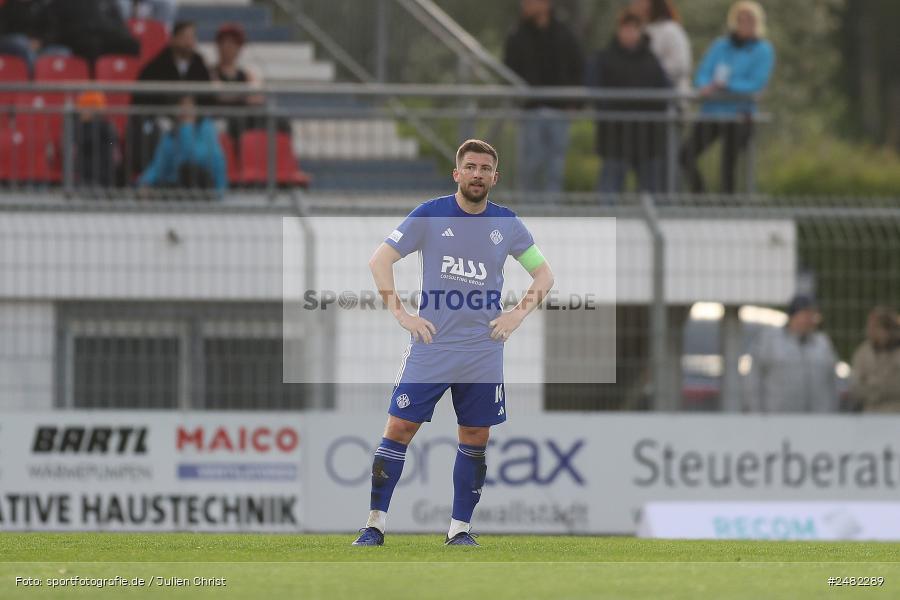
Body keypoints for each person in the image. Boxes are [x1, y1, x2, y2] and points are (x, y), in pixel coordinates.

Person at [352, 139, 555, 546]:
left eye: (485, 169)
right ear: (457, 173)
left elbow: (544, 275)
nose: (477, 174)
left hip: (482, 352)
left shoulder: (507, 224)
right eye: (471, 167)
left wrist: (515, 315)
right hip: (433, 346)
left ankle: (459, 530)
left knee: (476, 437)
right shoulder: (430, 214)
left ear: (495, 178)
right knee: (399, 427)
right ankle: (374, 525)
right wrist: (402, 314)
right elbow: (380, 260)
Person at [679, 0, 774, 193]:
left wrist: (726, 85)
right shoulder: (720, 46)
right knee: (685, 155)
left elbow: (755, 84)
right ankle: (700, 194)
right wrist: (706, 86)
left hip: (739, 115)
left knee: (728, 165)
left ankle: (727, 205)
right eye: (741, 20)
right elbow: (703, 74)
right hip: (713, 112)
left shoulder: (763, 50)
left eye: (749, 21)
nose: (744, 25)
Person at [586, 9, 670, 195]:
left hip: (647, 137)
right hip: (614, 137)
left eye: (634, 29)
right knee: (609, 189)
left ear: (640, 32)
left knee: (649, 193)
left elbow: (664, 90)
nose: (629, 33)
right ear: (618, 30)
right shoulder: (604, 58)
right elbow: (594, 89)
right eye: (626, 29)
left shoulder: (651, 60)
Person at [503, 0, 583, 195]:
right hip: (531, 109)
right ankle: (529, 208)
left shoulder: (564, 33)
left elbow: (578, 67)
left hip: (559, 109)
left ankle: (552, 207)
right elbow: (508, 70)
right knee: (531, 164)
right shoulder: (518, 35)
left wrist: (575, 102)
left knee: (556, 165)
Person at [129, 20, 211, 175]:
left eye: (192, 37)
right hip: (163, 119)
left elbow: (208, 97)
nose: (189, 42)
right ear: (173, 39)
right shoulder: (157, 65)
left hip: (194, 120)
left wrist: (192, 107)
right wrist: (173, 107)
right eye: (184, 37)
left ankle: (196, 175)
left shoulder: (199, 64)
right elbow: (143, 97)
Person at [744, 295, 839, 413]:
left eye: (813, 315)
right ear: (793, 316)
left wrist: (831, 412)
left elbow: (833, 381)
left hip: (817, 418)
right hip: (777, 417)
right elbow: (754, 379)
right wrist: (757, 413)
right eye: (806, 314)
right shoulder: (771, 341)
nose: (811, 320)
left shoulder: (823, 344)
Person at [138, 95, 226, 196]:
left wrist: (187, 127)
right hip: (180, 186)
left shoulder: (206, 128)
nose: (185, 110)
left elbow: (191, 157)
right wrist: (144, 182)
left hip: (208, 187)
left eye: (189, 106)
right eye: (181, 106)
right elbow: (158, 166)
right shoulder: (171, 135)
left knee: (187, 170)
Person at [211, 23, 266, 144]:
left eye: (234, 43)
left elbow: (257, 97)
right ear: (219, 46)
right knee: (236, 124)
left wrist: (237, 96)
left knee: (278, 122)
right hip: (220, 121)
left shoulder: (246, 74)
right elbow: (220, 95)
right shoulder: (211, 73)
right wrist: (244, 96)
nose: (229, 47)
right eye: (225, 43)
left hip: (245, 120)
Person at [46, 0, 140, 65]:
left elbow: (118, 25)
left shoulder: (108, 2)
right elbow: (58, 28)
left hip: (105, 37)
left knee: (132, 46)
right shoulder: (64, 3)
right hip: (80, 41)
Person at [630, 0, 691, 95]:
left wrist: (649, 72)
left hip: (669, 96)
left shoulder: (671, 30)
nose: (636, 5)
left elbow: (680, 66)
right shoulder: (639, 31)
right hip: (643, 96)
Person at [849, 306, 900, 412]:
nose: (870, 331)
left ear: (887, 329)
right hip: (871, 415)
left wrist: (873, 384)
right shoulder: (863, 353)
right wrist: (882, 387)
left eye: (875, 327)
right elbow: (856, 388)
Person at [0, 0, 69, 75]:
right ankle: (33, 76)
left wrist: (40, 42)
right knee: (22, 42)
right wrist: (28, 42)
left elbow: (52, 30)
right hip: (16, 44)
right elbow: (4, 31)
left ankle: (42, 73)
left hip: (40, 46)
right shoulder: (9, 6)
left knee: (63, 51)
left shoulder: (42, 6)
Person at [71, 91, 120, 188]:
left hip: (93, 176)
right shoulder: (107, 126)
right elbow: (113, 144)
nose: (80, 112)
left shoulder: (87, 128)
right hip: (100, 176)